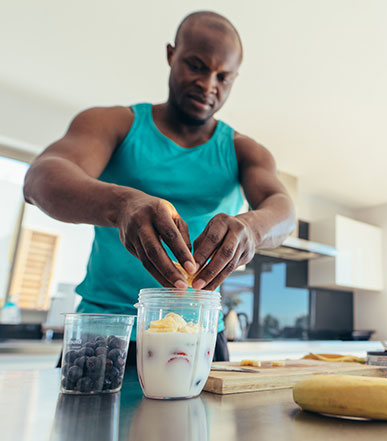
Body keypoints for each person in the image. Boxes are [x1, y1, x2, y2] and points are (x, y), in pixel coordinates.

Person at [23, 11, 296, 364]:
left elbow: (283, 209)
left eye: (223, 76)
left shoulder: (243, 150)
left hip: (198, 335)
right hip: (106, 332)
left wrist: (253, 229)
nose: (208, 84)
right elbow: (40, 179)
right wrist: (121, 203)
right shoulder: (115, 123)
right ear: (172, 55)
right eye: (196, 65)